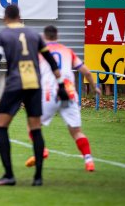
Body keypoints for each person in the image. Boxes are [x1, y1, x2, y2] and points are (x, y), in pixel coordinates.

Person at [0, 4, 70, 186]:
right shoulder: (33, 35)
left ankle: (9, 175)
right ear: (20, 16)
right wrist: (61, 85)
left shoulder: (1, 35)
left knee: (1, 127)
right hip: (34, 84)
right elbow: (51, 61)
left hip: (15, 84)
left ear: (5, 17)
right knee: (36, 128)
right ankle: (38, 178)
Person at [24, 25, 101, 172]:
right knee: (76, 131)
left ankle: (42, 150)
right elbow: (86, 71)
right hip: (69, 92)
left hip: (49, 92)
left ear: (44, 37)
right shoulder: (68, 51)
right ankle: (89, 160)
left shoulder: (40, 52)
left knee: (32, 125)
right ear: (57, 36)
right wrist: (94, 86)